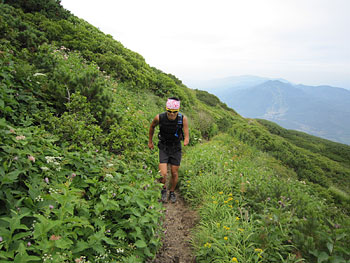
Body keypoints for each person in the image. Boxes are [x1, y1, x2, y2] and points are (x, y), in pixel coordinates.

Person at [148, 97, 189, 203]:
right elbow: (152, 127)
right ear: (166, 109)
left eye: (174, 112)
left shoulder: (182, 119)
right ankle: (163, 190)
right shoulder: (159, 118)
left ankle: (172, 192)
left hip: (176, 148)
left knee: (174, 173)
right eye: (169, 111)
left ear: (178, 111)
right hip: (164, 147)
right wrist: (150, 141)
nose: (171, 114)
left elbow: (186, 131)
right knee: (163, 173)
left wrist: (186, 139)